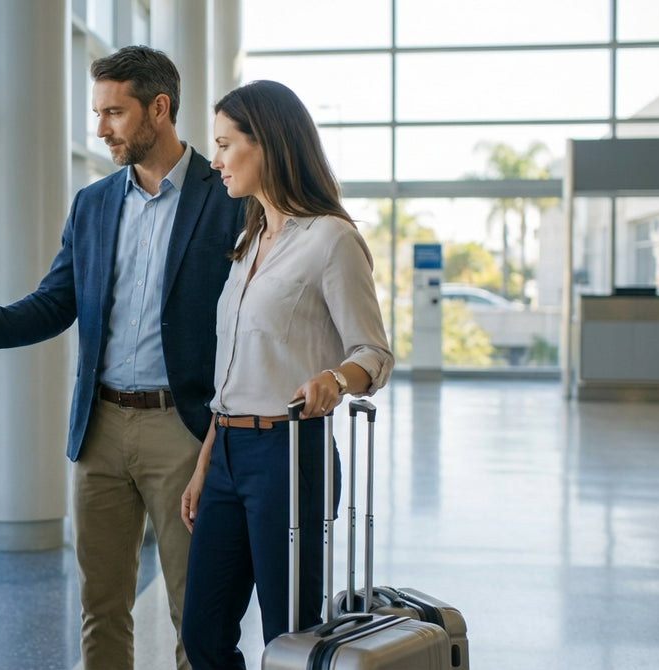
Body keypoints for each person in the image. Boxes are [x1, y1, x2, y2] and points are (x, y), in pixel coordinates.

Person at [0, 46, 242, 670]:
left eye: (114, 112)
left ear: (159, 109)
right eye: (97, 112)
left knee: (197, 611)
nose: (102, 128)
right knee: (101, 605)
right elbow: (53, 304)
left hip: (183, 431)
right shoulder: (94, 204)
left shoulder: (228, 199)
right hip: (100, 429)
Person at [178, 80, 394, 670]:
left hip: (289, 456)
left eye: (226, 144)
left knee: (289, 636)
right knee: (203, 633)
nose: (216, 159)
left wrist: (337, 379)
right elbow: (233, 372)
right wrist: (205, 465)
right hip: (226, 452)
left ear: (267, 144)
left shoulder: (331, 239)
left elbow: (374, 351)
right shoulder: (249, 241)